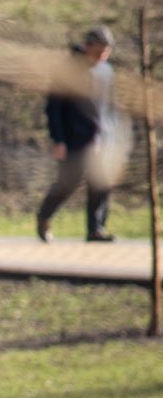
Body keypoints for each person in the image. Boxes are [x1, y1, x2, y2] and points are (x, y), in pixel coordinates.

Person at [36, 26, 117, 243]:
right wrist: (59, 139)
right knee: (67, 183)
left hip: (102, 138)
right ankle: (44, 217)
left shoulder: (106, 71)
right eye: (98, 51)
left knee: (101, 182)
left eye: (106, 52)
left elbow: (110, 107)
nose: (102, 57)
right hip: (74, 138)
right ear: (87, 47)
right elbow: (54, 108)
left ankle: (95, 229)